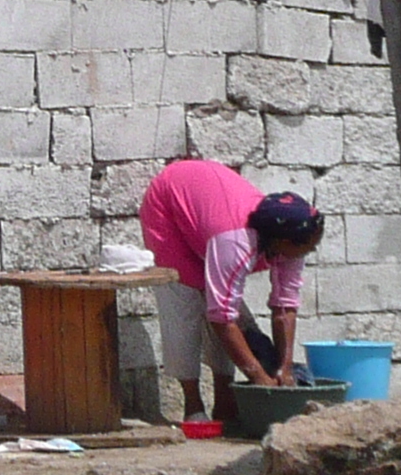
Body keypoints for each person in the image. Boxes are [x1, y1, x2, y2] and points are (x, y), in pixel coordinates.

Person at [137, 159, 323, 421]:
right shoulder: (236, 243)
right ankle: (193, 406)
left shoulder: (294, 239)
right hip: (170, 207)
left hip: (212, 214)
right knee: (184, 300)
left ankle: (225, 404)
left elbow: (285, 307)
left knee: (237, 322)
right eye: (309, 246)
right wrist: (258, 377)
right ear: (282, 241)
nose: (310, 251)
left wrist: (285, 367)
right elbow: (222, 319)